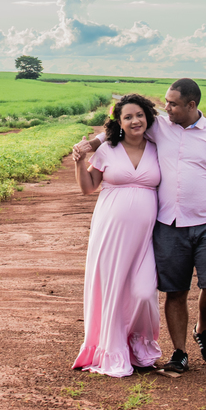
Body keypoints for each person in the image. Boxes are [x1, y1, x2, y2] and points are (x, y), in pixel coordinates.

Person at [73, 78, 206, 377]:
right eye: (165, 102)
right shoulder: (160, 126)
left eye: (172, 103)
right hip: (169, 224)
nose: (165, 107)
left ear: (191, 105)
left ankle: (202, 328)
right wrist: (88, 145)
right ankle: (180, 353)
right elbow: (118, 130)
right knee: (175, 290)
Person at [70, 94, 166, 377]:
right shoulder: (108, 150)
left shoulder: (159, 147)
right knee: (111, 290)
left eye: (139, 115)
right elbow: (88, 188)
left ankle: (139, 347)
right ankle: (112, 350)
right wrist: (80, 160)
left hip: (146, 237)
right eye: (127, 117)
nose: (135, 120)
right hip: (110, 233)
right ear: (119, 123)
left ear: (147, 116)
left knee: (144, 292)